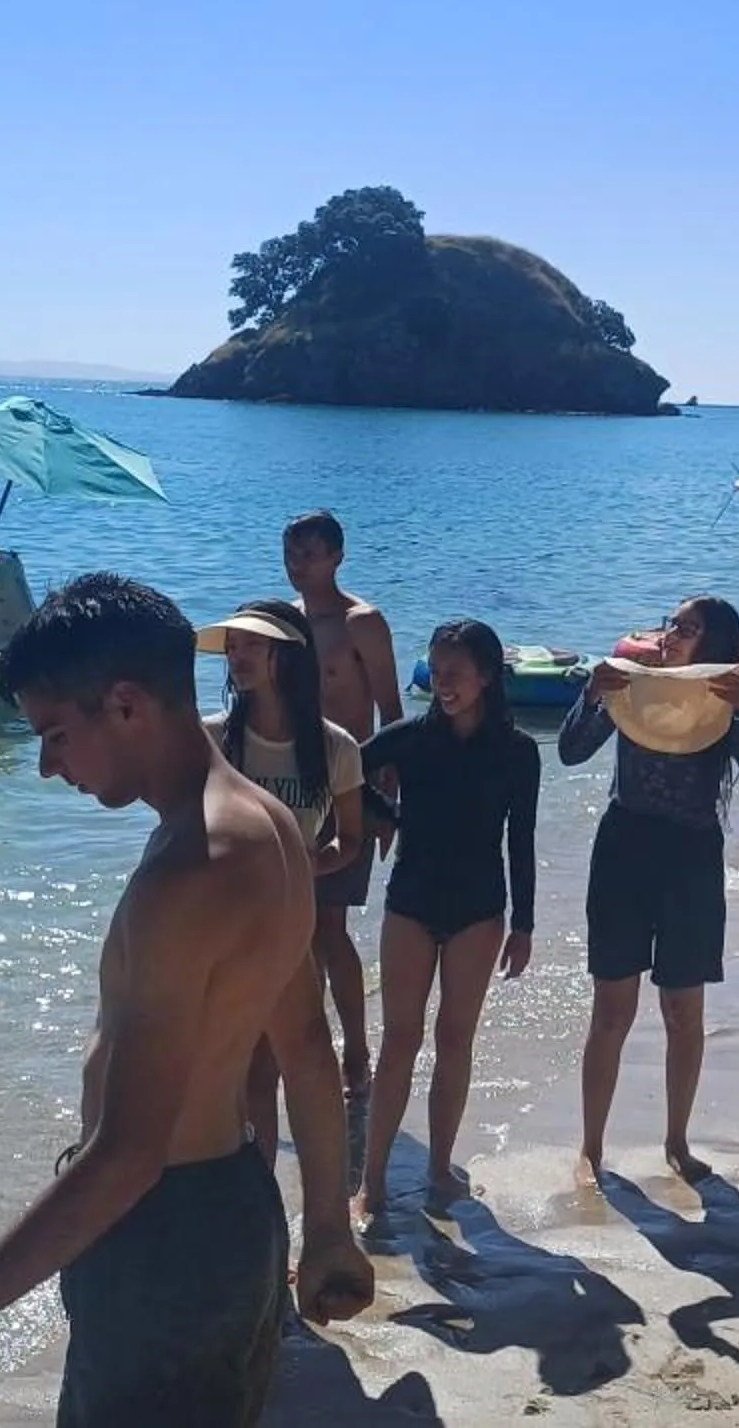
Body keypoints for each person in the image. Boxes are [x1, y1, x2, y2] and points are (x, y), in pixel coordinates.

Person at [0, 574, 363, 1428]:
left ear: (125, 704)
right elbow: (304, 1044)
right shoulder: (265, 826)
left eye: (55, 735)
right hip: (228, 1209)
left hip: (164, 1238)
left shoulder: (192, 872)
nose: (48, 766)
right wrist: (328, 1221)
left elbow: (128, 1156)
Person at [560, 596, 739, 1185]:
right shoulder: (633, 684)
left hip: (692, 857)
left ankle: (677, 1142)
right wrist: (592, 694)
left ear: (713, 643)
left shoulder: (725, 697)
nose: (670, 635)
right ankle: (591, 1149)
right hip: (623, 848)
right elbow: (571, 751)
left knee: (683, 1012)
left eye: (687, 629)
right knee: (612, 1011)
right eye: (671, 624)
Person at [353, 619, 539, 1222]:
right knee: (399, 1041)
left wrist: (524, 924)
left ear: (486, 676)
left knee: (455, 1039)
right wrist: (386, 815)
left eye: (454, 673)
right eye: (435, 671)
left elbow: (522, 841)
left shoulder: (517, 752)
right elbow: (343, 770)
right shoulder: (410, 738)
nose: (442, 683)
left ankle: (438, 1169)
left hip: (479, 911)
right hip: (411, 902)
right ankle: (372, 1183)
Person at [197, 600, 367, 1172]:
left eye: (253, 645)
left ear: (287, 657)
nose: (237, 656)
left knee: (269, 1069)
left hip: (290, 929)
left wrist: (302, 865)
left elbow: (350, 840)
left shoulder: (336, 746)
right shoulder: (212, 739)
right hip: (219, 931)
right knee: (227, 1074)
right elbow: (180, 828)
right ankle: (246, 1195)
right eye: (232, 646)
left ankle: (266, 1199)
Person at [283, 512, 404, 1103]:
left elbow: (392, 713)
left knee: (330, 929)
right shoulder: (284, 623)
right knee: (295, 931)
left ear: (337, 557)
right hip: (289, 790)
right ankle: (307, 1048)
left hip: (349, 789)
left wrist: (387, 805)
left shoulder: (362, 623)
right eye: (291, 553)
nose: (298, 565)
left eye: (310, 554)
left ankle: (356, 1052)